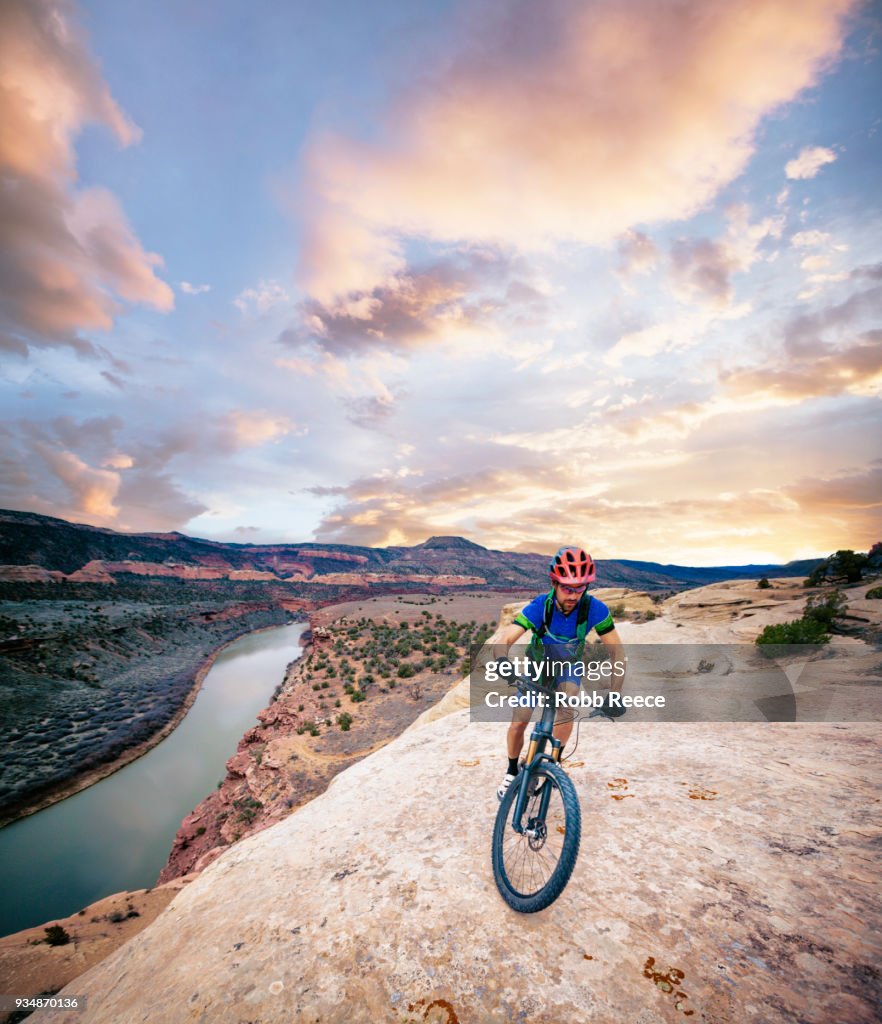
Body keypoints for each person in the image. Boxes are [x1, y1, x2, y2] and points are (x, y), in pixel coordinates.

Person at [491, 545, 626, 799]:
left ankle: (554, 762)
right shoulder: (541, 606)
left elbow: (617, 652)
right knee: (519, 721)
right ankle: (511, 770)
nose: (574, 595)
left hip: (568, 666)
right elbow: (505, 639)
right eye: (567, 588)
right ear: (554, 583)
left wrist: (615, 693)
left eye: (580, 587)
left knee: (567, 705)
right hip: (538, 666)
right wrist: (501, 661)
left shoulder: (593, 608)